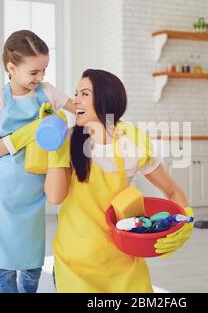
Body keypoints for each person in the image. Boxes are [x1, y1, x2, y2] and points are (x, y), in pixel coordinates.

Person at [45, 69, 194, 292]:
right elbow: (55, 196)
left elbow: (172, 190)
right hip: (75, 262)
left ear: (106, 98)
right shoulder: (68, 139)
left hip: (122, 261)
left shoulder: (131, 145)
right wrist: (54, 151)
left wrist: (185, 223)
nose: (75, 100)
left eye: (84, 93)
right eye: (76, 93)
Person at [0, 30, 73, 293]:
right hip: (3, 192)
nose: (40, 77)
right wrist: (27, 133)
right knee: (4, 263)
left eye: (44, 70)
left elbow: (80, 109)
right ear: (12, 67)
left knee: (31, 261)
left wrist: (108, 121)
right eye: (34, 72)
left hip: (33, 190)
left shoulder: (47, 92)